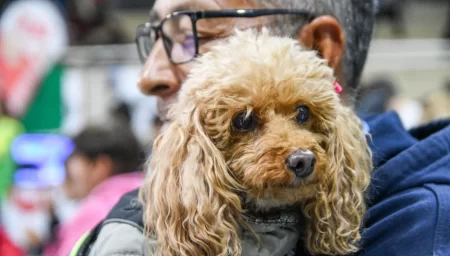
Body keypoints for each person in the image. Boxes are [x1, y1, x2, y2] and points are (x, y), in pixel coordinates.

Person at [74, 0, 450, 255]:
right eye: (154, 37)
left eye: (191, 33)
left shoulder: (422, 227)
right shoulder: (136, 219)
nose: (147, 76)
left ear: (318, 49)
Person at [44, 121, 144, 256]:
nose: (66, 171)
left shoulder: (97, 209)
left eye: (73, 159)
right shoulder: (149, 195)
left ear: (100, 165)